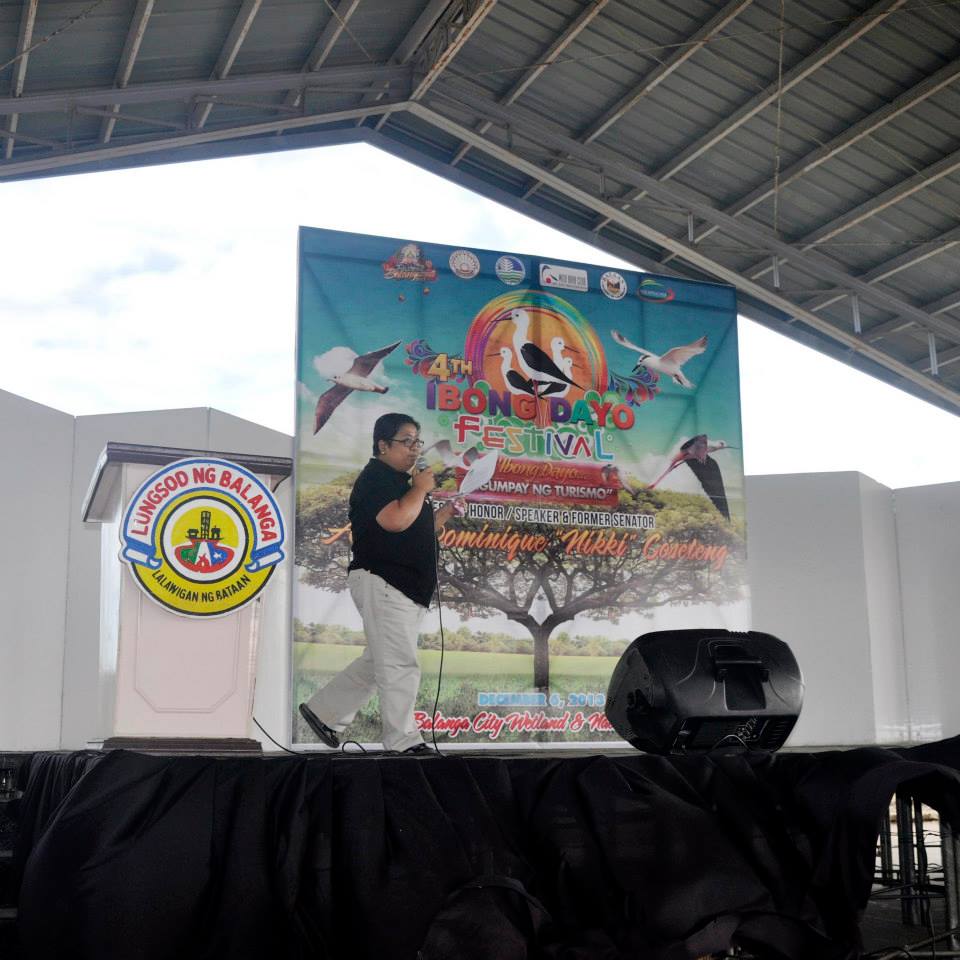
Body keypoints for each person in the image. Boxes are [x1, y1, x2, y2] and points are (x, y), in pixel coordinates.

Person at [299, 412, 461, 754]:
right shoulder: (377, 477)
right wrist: (420, 489)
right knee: (399, 663)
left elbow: (417, 528)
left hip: (403, 585)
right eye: (406, 441)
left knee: (379, 661)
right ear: (382, 445)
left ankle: (323, 712)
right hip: (385, 580)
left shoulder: (402, 483)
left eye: (417, 441)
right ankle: (403, 741)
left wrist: (445, 513)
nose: (414, 449)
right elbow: (395, 521)